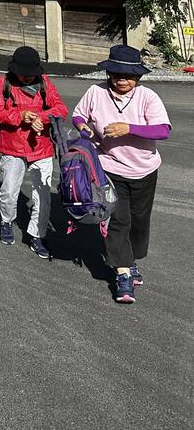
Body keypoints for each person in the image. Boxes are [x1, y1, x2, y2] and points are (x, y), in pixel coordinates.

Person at [72, 44, 171, 304]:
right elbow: (79, 116)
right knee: (118, 220)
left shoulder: (147, 97)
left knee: (139, 221)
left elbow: (162, 130)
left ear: (137, 77)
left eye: (127, 75)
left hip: (144, 169)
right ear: (108, 74)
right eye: (116, 74)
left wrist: (129, 127)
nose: (121, 79)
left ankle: (131, 259)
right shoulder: (95, 92)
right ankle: (123, 273)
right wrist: (85, 129)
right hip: (110, 168)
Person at [0, 45, 67, 259]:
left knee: (43, 196)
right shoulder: (3, 82)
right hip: (11, 146)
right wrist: (20, 115)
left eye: (30, 74)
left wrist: (40, 119)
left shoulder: (44, 83)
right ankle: (6, 221)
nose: (26, 77)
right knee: (8, 190)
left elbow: (60, 108)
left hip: (40, 147)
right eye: (23, 74)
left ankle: (37, 235)